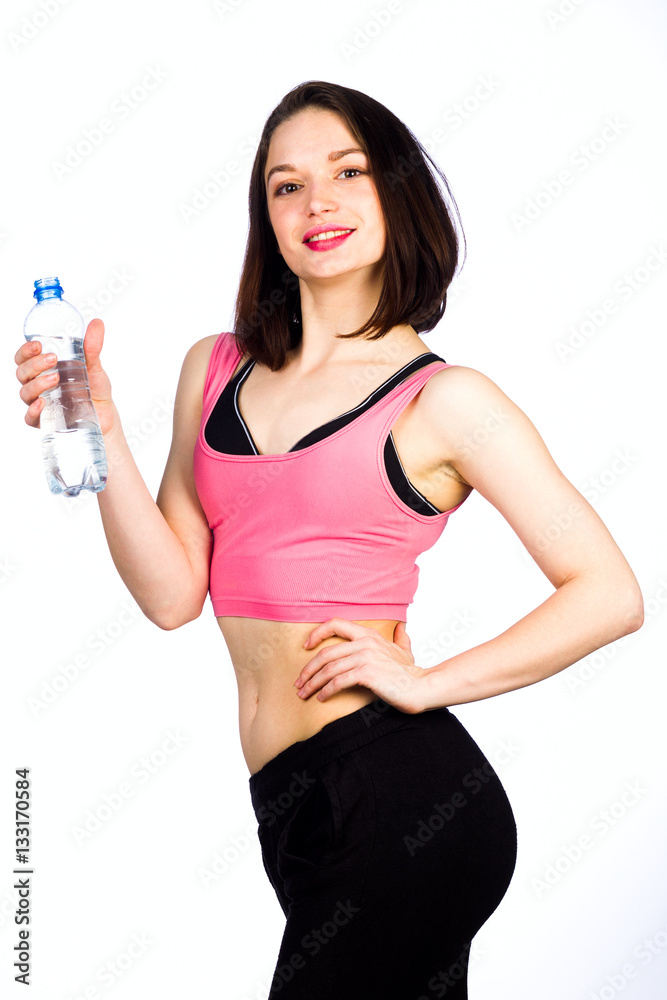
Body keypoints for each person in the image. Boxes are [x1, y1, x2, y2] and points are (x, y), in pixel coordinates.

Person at [15, 80, 644, 998]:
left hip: (396, 799)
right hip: (291, 806)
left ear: (397, 193)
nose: (317, 202)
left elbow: (609, 593)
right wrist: (100, 428)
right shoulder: (214, 368)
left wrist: (428, 682)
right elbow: (171, 595)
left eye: (348, 172)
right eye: (287, 185)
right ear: (265, 217)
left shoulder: (446, 401)